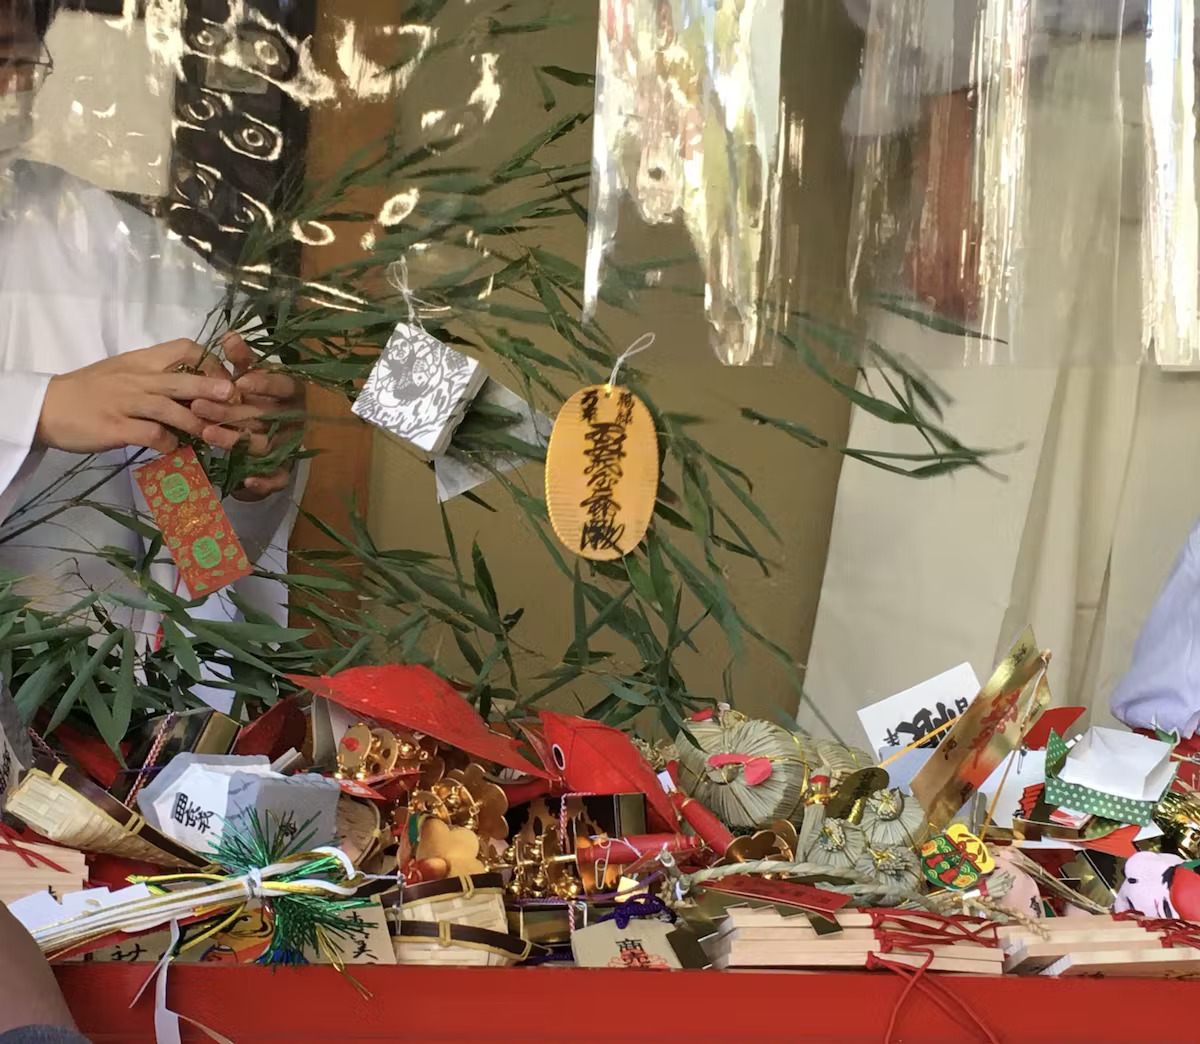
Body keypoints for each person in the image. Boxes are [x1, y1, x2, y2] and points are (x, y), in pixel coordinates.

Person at [0, 0, 304, 699]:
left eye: (6, 58)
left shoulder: (108, 252)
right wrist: (33, 409)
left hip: (79, 707)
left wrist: (245, 466)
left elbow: (195, 539)